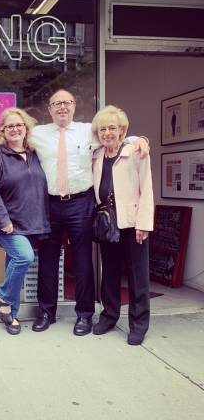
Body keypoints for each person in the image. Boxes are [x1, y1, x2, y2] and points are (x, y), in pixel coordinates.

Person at [0, 89, 149, 336]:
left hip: (81, 203)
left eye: (67, 103)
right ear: (49, 109)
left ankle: (84, 315)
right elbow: (9, 139)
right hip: (48, 205)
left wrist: (140, 138)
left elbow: (114, 135)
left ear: (73, 106)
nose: (62, 107)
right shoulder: (37, 134)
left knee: (83, 262)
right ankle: (46, 312)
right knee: (47, 260)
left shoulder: (87, 131)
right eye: (56, 103)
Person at [0, 108, 50, 335]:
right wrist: (3, 221)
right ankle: (2, 295)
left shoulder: (35, 153)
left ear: (26, 128)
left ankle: (11, 315)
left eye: (18, 125)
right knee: (24, 257)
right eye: (9, 126)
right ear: (3, 130)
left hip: (28, 220)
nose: (15, 129)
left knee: (14, 264)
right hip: (5, 222)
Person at [90, 105, 154, 345]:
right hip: (107, 224)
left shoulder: (136, 152)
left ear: (122, 130)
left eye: (112, 128)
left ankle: (138, 325)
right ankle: (109, 316)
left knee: (138, 277)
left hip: (133, 223)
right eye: (103, 129)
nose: (107, 133)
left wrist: (144, 224)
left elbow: (146, 188)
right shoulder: (96, 155)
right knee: (110, 274)